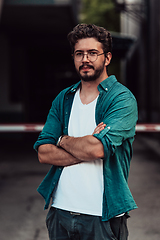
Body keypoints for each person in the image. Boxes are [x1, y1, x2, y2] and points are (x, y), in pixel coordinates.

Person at [34, 23, 138, 240]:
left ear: (107, 58)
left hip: (102, 217)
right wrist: (81, 144)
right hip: (60, 211)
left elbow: (97, 149)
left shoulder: (121, 99)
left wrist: (60, 140)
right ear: (73, 57)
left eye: (93, 53)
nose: (85, 59)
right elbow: (44, 152)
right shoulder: (63, 98)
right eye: (79, 53)